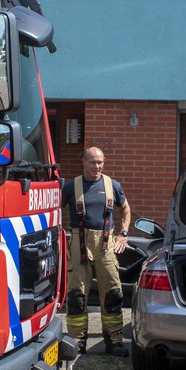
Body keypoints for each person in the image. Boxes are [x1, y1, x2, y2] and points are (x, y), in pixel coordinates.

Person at [62, 147, 131, 355]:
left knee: (112, 293)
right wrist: (59, 240)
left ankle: (114, 341)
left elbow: (125, 209)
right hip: (78, 242)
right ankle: (77, 341)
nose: (97, 166)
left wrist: (123, 234)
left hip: (106, 243)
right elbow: (54, 211)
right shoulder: (70, 186)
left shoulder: (113, 185)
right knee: (76, 295)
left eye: (100, 162)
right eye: (92, 162)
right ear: (83, 162)